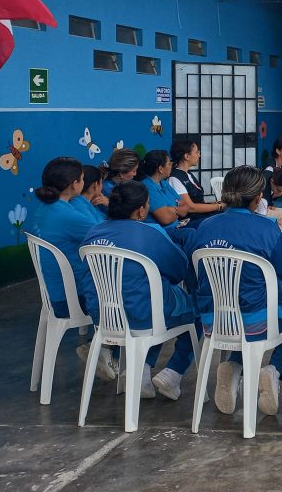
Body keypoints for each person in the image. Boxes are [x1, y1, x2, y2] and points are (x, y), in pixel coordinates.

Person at [185, 166, 282, 417]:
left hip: (213, 321)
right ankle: (274, 371)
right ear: (258, 198)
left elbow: (193, 278)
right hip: (257, 322)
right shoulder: (267, 229)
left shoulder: (203, 228)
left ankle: (233, 366)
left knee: (235, 309)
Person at [80, 181, 199, 400]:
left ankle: (141, 374)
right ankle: (173, 373)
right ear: (141, 210)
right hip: (142, 315)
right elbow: (179, 270)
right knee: (191, 310)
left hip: (102, 316)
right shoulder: (150, 233)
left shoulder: (93, 233)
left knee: (156, 302)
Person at [31, 156, 116, 382]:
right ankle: (104, 348)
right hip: (71, 299)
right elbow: (109, 236)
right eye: (81, 178)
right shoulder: (66, 214)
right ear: (73, 184)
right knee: (125, 297)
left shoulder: (45, 207)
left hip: (54, 294)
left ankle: (103, 347)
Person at [137, 150, 197, 245]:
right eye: (169, 164)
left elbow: (185, 207)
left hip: (177, 226)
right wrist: (177, 210)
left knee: (205, 225)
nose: (171, 166)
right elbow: (166, 219)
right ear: (161, 169)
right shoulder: (147, 187)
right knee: (191, 234)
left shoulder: (163, 183)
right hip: (161, 233)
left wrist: (172, 210)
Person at [168, 139, 225, 224]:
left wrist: (216, 203)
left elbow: (197, 201)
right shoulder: (175, 178)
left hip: (200, 216)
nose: (199, 155)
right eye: (196, 152)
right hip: (191, 220)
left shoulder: (188, 174)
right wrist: (218, 206)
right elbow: (190, 207)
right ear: (186, 156)